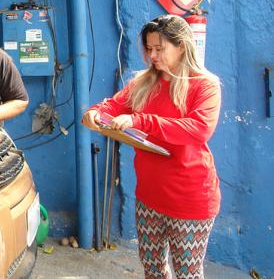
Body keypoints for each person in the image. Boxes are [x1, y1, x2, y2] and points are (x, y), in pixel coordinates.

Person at [81, 15, 221, 279]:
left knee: (187, 273)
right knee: (153, 269)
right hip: (150, 196)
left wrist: (140, 120)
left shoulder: (204, 85)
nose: (152, 55)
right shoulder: (143, 82)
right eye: (149, 49)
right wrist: (95, 112)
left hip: (190, 198)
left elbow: (198, 129)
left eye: (160, 49)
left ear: (181, 46)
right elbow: (113, 105)